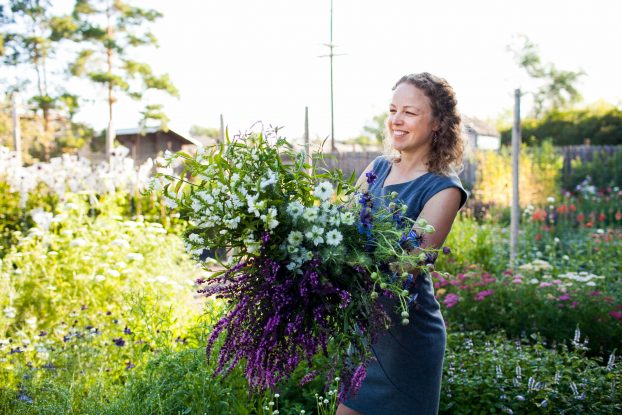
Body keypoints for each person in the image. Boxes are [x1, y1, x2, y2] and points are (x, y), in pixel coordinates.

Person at [337, 72, 468, 415]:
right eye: (393, 109)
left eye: (409, 112)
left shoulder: (444, 189)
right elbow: (340, 228)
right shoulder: (377, 168)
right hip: (366, 328)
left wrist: (345, 260)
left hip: (408, 338)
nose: (396, 119)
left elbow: (411, 262)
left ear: (438, 122)